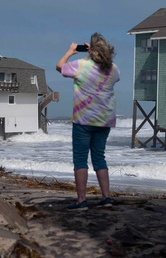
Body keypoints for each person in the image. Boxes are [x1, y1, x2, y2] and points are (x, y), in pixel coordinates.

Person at [56, 33, 121, 211]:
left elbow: (59, 67)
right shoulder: (113, 68)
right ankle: (106, 198)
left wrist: (70, 51)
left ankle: (82, 201)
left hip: (84, 119)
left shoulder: (81, 65)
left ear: (90, 49)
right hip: (105, 120)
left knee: (80, 159)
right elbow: (116, 78)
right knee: (99, 157)